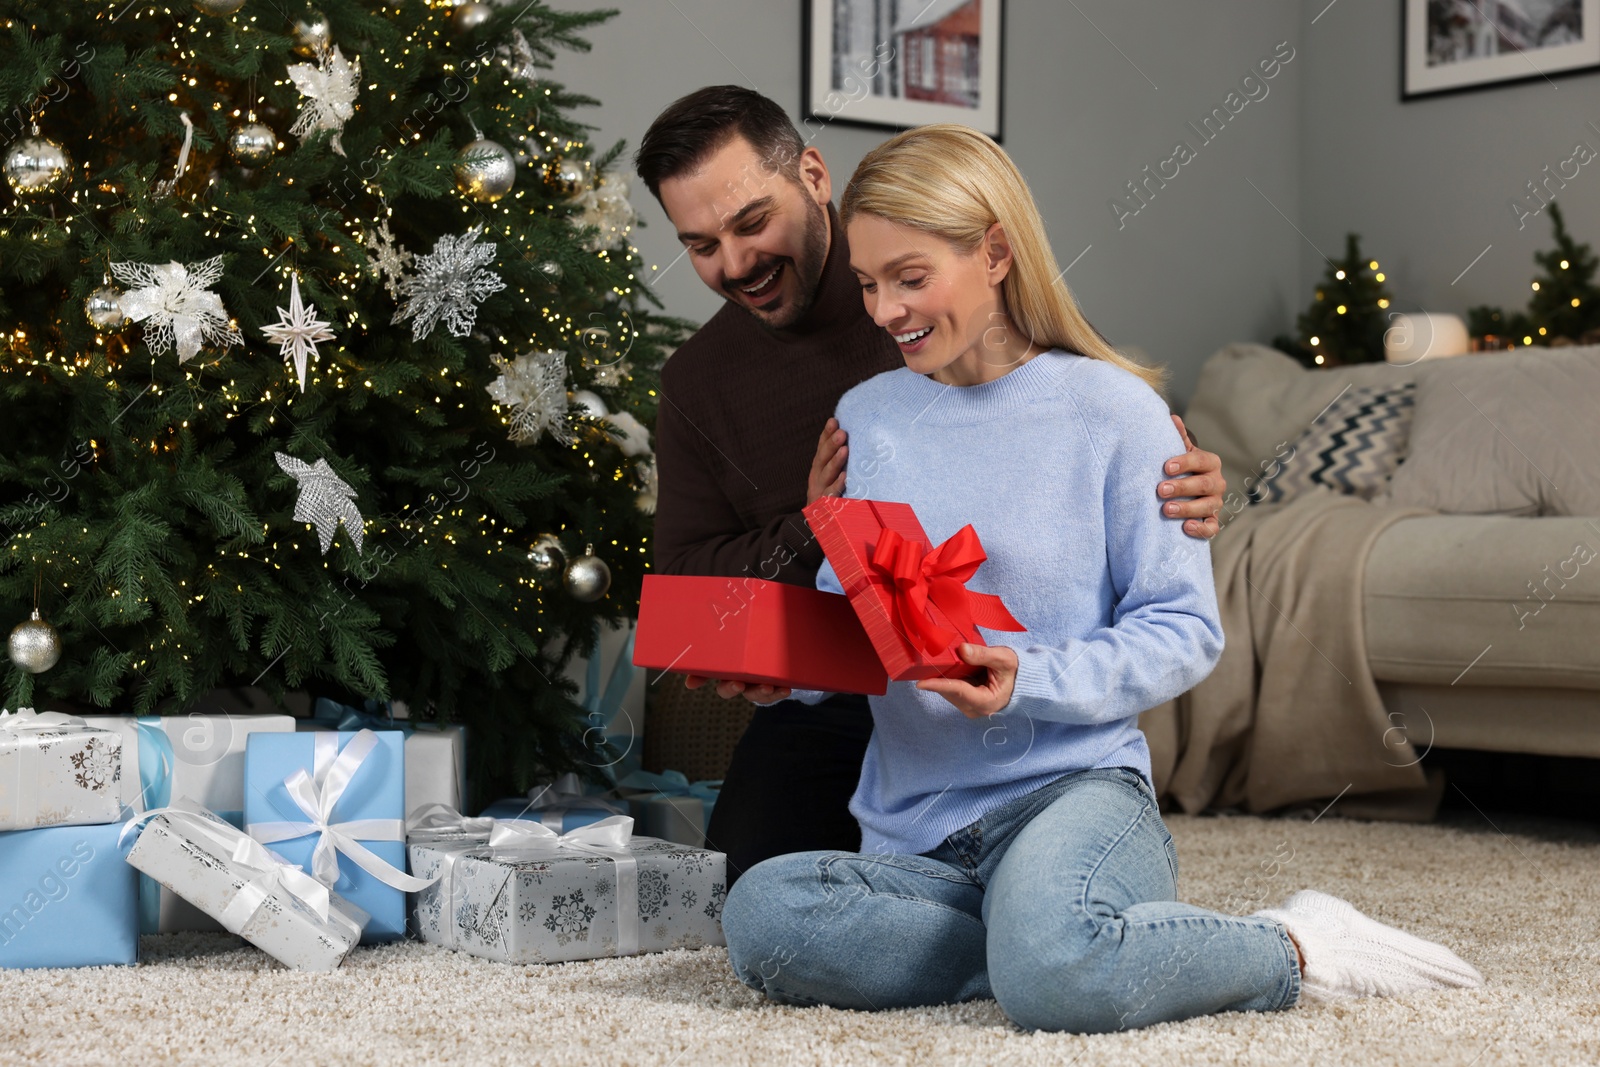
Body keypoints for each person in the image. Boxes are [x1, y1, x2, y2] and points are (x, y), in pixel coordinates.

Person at [714, 124, 1484, 1033]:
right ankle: (1045, 945)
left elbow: (1183, 628)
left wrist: (1025, 677)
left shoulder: (1116, 412)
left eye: (911, 278)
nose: (886, 311)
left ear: (995, 252)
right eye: (870, 284)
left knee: (1057, 977)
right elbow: (864, 627)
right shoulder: (867, 417)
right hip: (914, 828)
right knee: (763, 914)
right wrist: (785, 673)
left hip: (1070, 792)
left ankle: (1291, 944)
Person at [634, 86, 1228, 887]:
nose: (735, 264)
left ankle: (1030, 917)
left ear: (814, 177)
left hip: (1031, 728)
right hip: (859, 694)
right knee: (758, 904)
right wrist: (809, 543)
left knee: (1037, 922)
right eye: (701, 245)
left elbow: (1064, 414)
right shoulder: (726, 385)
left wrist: (1167, 465)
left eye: (750, 224)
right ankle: (982, 919)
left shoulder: (947, 303)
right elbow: (696, 580)